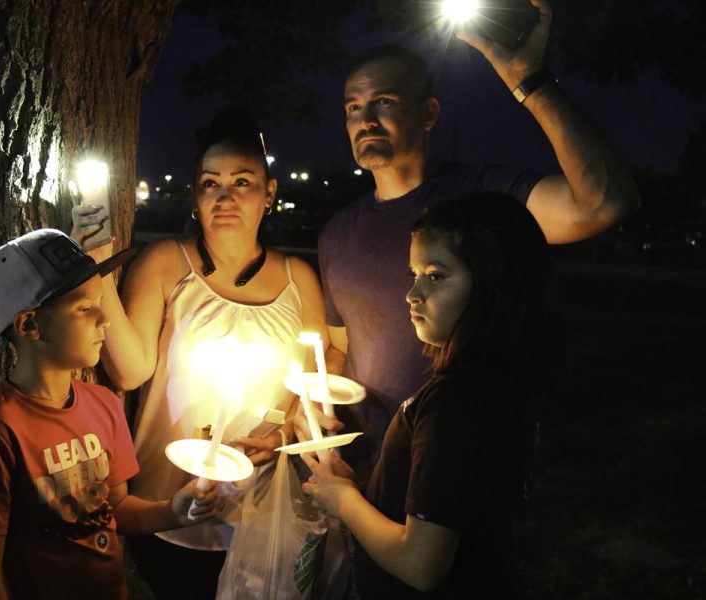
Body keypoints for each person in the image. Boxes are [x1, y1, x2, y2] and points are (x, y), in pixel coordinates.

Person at [309, 0, 638, 474]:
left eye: (384, 102)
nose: (366, 120)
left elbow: (603, 203)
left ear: (429, 113)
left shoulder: (482, 199)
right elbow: (340, 348)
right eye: (354, 108)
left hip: (459, 466)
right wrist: (319, 409)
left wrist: (531, 82)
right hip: (363, 468)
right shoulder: (337, 233)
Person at [70, 108, 328, 599]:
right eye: (210, 184)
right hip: (167, 506)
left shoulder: (299, 280)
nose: (225, 196)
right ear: (195, 196)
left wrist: (279, 430)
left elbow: (312, 378)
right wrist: (97, 267)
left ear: (269, 194)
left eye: (243, 182)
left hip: (255, 513)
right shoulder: (167, 263)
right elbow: (129, 370)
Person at [303, 192, 563, 597]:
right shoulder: (492, 381)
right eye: (414, 274)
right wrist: (358, 492)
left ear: (494, 282)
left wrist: (344, 503)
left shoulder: (458, 403)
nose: (413, 294)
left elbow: (421, 565)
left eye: (436, 276)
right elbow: (446, 502)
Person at [0, 229, 220, 600]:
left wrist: (172, 511)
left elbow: (117, 508)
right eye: (85, 307)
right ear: (30, 325)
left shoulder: (104, 405)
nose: (104, 319)